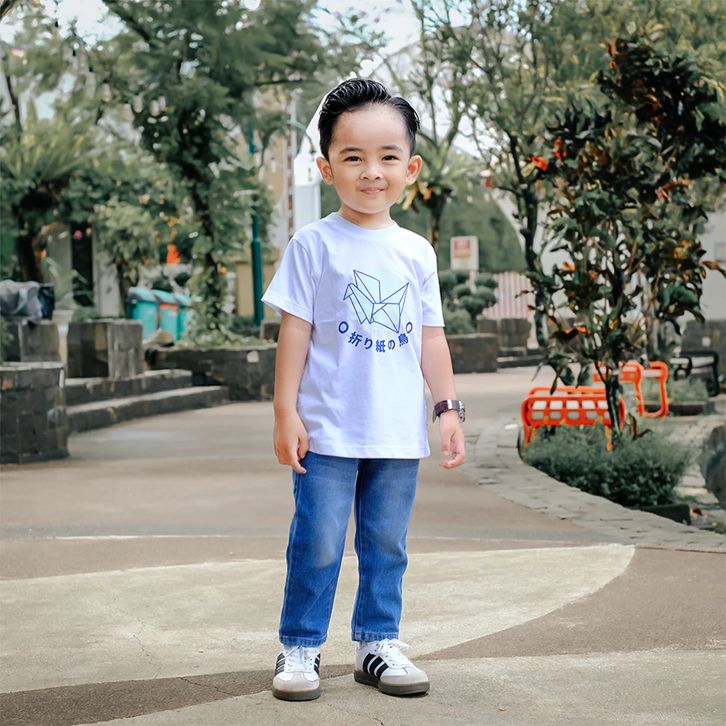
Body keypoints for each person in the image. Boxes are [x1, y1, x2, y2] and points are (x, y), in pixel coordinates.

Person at [262, 78, 466, 702]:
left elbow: (431, 337)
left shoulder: (417, 252)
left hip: (396, 431)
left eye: (387, 157)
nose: (371, 171)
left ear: (411, 168)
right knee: (318, 542)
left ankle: (378, 642)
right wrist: (285, 411)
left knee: (386, 544)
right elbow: (295, 331)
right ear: (327, 167)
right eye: (353, 157)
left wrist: (447, 408)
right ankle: (300, 646)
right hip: (326, 429)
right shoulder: (313, 245)